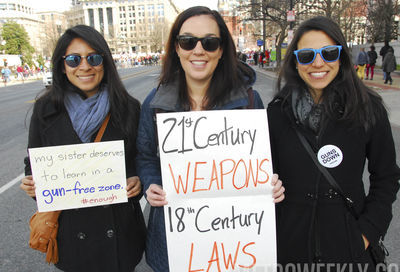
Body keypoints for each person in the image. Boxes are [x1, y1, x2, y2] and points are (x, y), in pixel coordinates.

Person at [136, 6, 285, 272]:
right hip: (176, 242)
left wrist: (269, 184)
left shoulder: (249, 102)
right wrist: (151, 183)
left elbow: (264, 161)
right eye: (188, 41)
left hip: (235, 243)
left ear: (221, 50)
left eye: (210, 42)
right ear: (176, 49)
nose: (199, 50)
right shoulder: (155, 104)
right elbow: (145, 154)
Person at [268, 16, 400, 270]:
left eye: (329, 53)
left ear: (341, 56)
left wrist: (365, 234)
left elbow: (386, 177)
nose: (318, 63)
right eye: (307, 55)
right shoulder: (276, 113)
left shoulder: (367, 109)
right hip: (290, 252)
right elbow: (261, 175)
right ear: (296, 61)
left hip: (350, 252)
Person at [20, 25, 146, 272]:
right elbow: (33, 163)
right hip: (71, 236)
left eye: (94, 58)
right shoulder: (45, 110)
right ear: (62, 65)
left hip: (119, 233)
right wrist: (33, 184)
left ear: (105, 63)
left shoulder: (128, 108)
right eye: (74, 59)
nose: (85, 66)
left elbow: (141, 159)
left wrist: (137, 180)